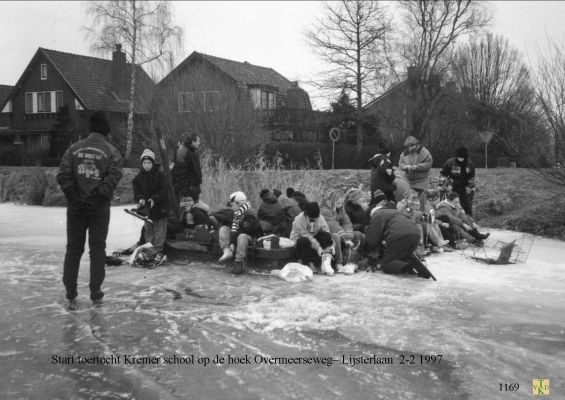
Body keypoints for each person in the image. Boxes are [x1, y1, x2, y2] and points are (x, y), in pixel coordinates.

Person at [56, 111, 123, 302]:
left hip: (75, 207)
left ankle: (70, 290)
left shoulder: (73, 150)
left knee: (74, 248)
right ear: (106, 130)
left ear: (91, 129)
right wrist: (97, 199)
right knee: (98, 248)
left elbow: (63, 175)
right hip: (99, 209)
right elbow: (112, 178)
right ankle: (95, 290)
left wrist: (75, 198)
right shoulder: (112, 152)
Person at [364, 207, 432, 279]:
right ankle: (416, 266)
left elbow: (372, 237)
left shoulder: (377, 214)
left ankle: (411, 267)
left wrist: (365, 252)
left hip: (399, 234)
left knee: (387, 264)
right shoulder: (395, 213)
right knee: (402, 258)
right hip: (416, 233)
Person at [132, 149, 169, 259]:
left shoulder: (161, 175)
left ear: (153, 163)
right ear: (142, 164)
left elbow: (164, 191)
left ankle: (158, 250)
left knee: (160, 229)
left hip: (160, 207)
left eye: (149, 163)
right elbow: (137, 192)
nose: (147, 165)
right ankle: (149, 249)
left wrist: (155, 199)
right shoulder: (138, 178)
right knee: (148, 229)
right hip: (147, 209)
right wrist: (140, 199)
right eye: (144, 163)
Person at [217, 191, 260, 274]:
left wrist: (232, 243)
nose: (231, 207)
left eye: (232, 204)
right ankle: (227, 251)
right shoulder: (237, 213)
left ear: (239, 204)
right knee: (224, 229)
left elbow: (243, 230)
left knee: (242, 236)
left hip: (249, 237)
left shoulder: (249, 214)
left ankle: (238, 262)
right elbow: (233, 228)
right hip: (237, 235)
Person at [320, 189, 364, 270]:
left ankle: (352, 260)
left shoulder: (340, 209)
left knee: (358, 234)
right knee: (336, 236)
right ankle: (338, 263)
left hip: (340, 231)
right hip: (327, 232)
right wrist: (345, 237)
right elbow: (332, 225)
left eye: (341, 203)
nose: (340, 205)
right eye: (338, 203)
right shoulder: (325, 210)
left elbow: (347, 222)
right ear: (332, 201)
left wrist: (349, 234)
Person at [290, 202, 335, 275]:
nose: (314, 220)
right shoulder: (300, 219)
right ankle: (309, 263)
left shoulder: (320, 218)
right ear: (306, 214)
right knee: (304, 241)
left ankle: (326, 261)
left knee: (326, 235)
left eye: (316, 218)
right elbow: (305, 235)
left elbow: (326, 230)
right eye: (311, 219)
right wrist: (318, 247)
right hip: (300, 238)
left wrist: (331, 243)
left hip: (313, 237)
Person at [398, 135, 433, 210]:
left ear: (416, 144)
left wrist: (416, 167)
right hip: (409, 181)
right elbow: (400, 164)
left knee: (422, 200)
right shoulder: (404, 153)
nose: (410, 148)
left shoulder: (424, 152)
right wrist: (404, 167)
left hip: (421, 181)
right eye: (408, 146)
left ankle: (422, 214)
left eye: (412, 146)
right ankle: (410, 213)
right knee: (409, 199)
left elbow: (428, 164)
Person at [440, 147, 476, 215]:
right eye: (459, 157)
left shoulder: (470, 164)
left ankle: (468, 219)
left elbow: (471, 178)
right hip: (452, 188)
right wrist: (442, 186)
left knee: (467, 206)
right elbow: (443, 174)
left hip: (465, 189)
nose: (460, 159)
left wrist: (470, 189)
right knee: (452, 205)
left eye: (462, 158)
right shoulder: (450, 163)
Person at [172, 134, 202, 206]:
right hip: (187, 191)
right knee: (186, 213)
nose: (199, 143)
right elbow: (180, 173)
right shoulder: (182, 151)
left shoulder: (193, 151)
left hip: (193, 189)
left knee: (195, 212)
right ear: (192, 141)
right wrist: (184, 190)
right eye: (198, 141)